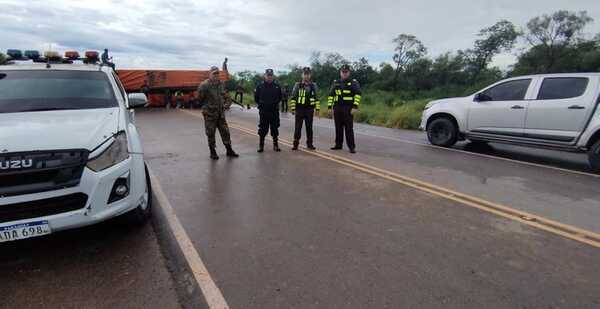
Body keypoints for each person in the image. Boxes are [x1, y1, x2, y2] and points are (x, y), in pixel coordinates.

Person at [197, 66, 239, 160]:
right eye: (214, 74)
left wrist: (227, 105)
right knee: (210, 133)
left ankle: (229, 150)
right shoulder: (204, 85)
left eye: (217, 74)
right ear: (210, 74)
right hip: (210, 114)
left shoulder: (221, 84)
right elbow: (199, 99)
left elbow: (226, 95)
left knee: (225, 132)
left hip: (220, 114)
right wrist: (207, 108)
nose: (216, 75)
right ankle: (213, 152)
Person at [328, 64, 361, 153]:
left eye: (346, 72)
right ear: (340, 73)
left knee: (349, 128)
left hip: (348, 108)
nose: (344, 74)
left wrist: (355, 106)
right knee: (338, 127)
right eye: (343, 72)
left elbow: (358, 95)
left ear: (349, 73)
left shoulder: (353, 82)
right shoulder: (336, 82)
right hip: (337, 107)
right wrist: (329, 107)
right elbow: (331, 95)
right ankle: (338, 145)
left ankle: (351, 147)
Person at [290, 67, 320, 150]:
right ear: (302, 75)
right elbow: (293, 97)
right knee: (298, 127)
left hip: (309, 110)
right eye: (305, 74)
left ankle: (310, 144)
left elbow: (317, 98)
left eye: (308, 74)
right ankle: (295, 143)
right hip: (299, 109)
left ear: (310, 75)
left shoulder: (313, 85)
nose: (306, 76)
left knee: (309, 128)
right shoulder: (297, 85)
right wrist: (293, 108)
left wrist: (317, 110)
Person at [254, 69, 283, 152]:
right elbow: (256, 98)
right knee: (263, 128)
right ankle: (261, 145)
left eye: (271, 75)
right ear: (265, 76)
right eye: (268, 75)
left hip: (274, 111)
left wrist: (274, 103)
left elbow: (280, 97)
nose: (269, 77)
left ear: (272, 76)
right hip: (264, 111)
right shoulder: (260, 86)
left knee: (275, 128)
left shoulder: (277, 86)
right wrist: (262, 104)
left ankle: (275, 145)